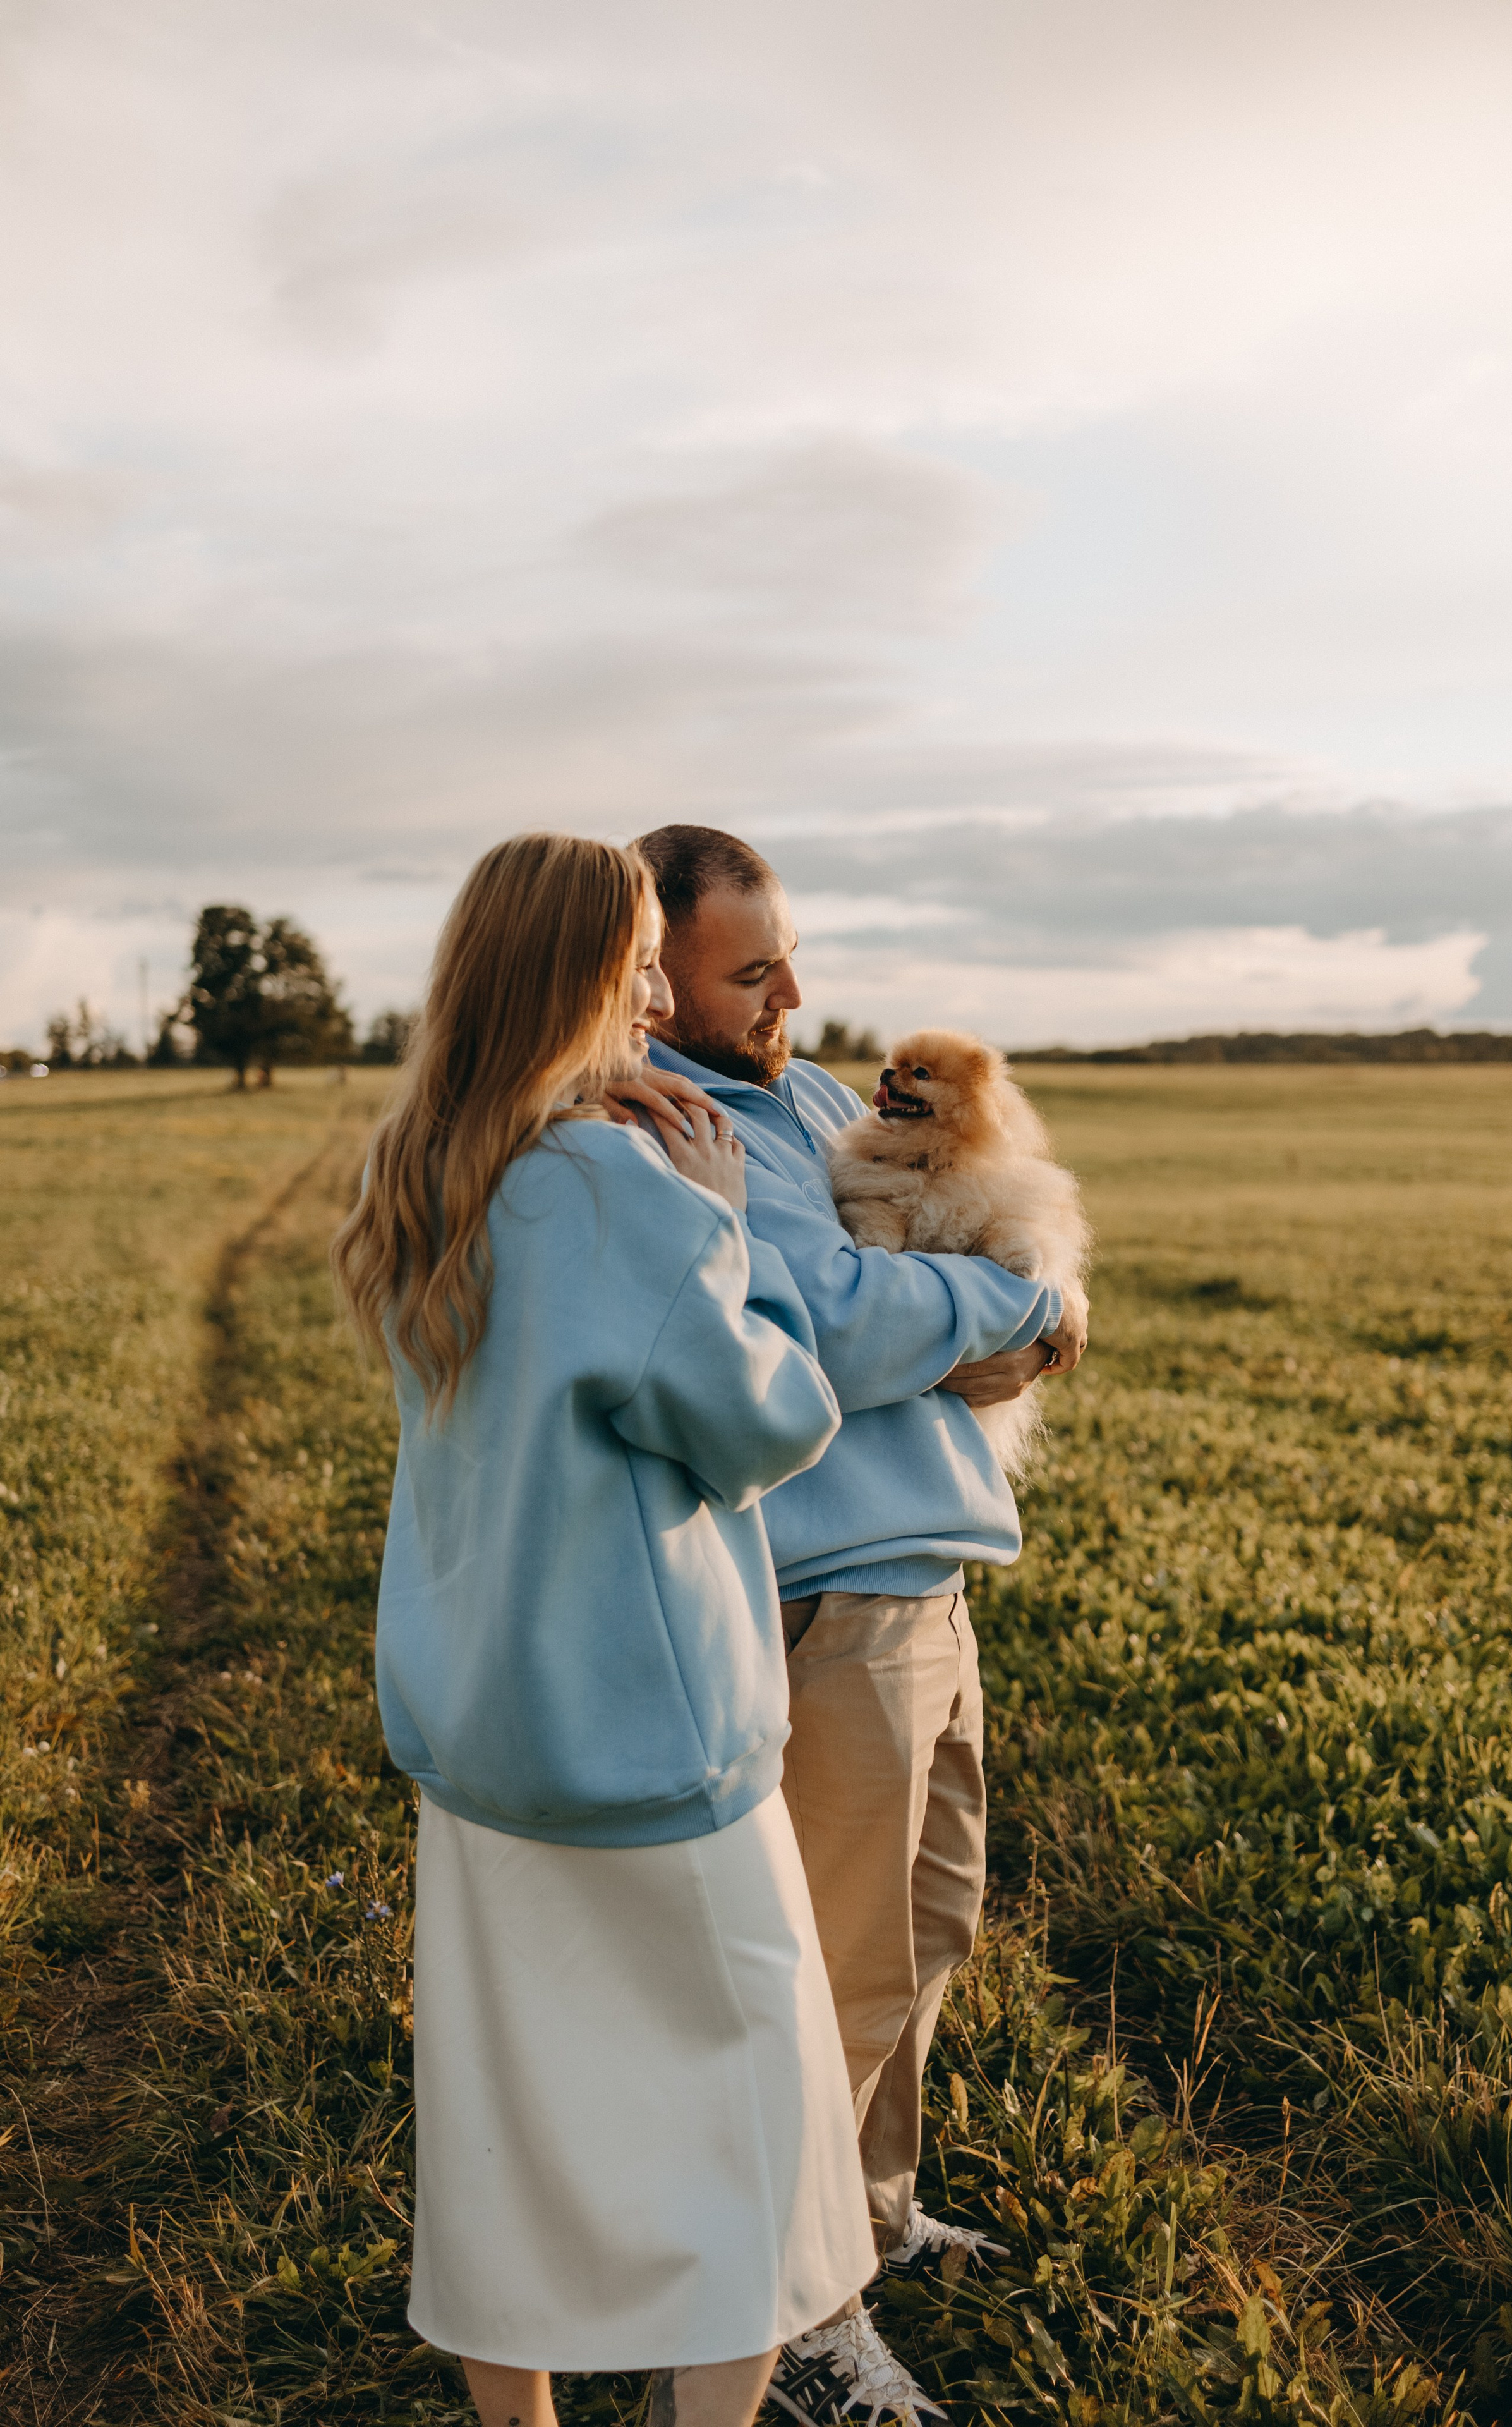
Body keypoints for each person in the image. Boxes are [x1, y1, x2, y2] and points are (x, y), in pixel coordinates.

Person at [332, 833, 876, 2427]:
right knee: (768, 2158)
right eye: (640, 955)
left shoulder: (425, 1171)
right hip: (653, 1752)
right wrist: (727, 1224)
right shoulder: (624, 1186)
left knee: (507, 2137)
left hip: (480, 1747)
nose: (657, 987)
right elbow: (771, 1422)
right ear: (581, 976)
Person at [632, 827, 1084, 2427]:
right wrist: (1013, 1312)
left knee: (932, 1928)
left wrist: (1013, 1302)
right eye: (749, 972)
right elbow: (832, 1322)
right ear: (648, 973)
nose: (790, 997)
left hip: (933, 1573)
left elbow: (977, 1236)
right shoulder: (682, 1131)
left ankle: (873, 2218)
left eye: (789, 960)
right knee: (834, 1972)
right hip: (828, 1594)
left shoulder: (820, 1101)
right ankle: (802, 2318)